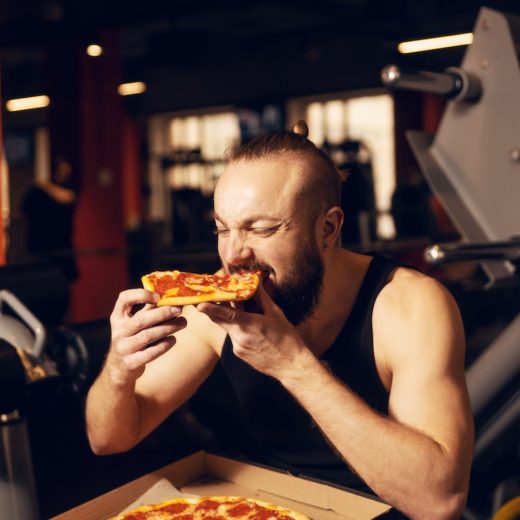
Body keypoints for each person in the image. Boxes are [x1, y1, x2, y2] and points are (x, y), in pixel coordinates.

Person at [85, 121, 474, 518]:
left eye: (262, 229)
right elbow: (109, 438)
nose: (233, 255)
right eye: (222, 229)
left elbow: (438, 502)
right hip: (263, 503)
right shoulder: (216, 301)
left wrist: (294, 366)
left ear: (328, 228)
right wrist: (119, 368)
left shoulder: (411, 306)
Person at [22, 156, 78, 281]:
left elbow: (67, 198)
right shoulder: (37, 192)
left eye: (66, 171)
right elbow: (25, 210)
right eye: (60, 170)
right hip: (40, 245)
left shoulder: (70, 187)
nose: (63, 174)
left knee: (63, 282)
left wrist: (44, 185)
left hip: (62, 244)